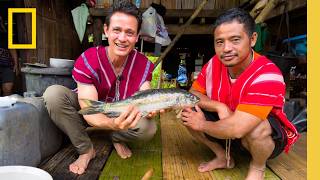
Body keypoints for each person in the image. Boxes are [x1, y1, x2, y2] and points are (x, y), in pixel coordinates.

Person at [181, 8, 299, 180]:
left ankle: (258, 167)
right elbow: (192, 93)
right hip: (227, 127)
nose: (226, 48)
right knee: (188, 110)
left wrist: (202, 125)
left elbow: (237, 129)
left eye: (235, 40)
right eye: (219, 42)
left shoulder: (267, 74)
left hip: (262, 139)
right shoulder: (214, 64)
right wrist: (218, 106)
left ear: (252, 39)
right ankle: (224, 157)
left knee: (257, 129)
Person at [43, 1, 158, 175]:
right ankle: (86, 149)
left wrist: (151, 108)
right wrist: (112, 124)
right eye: (117, 30)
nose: (122, 38)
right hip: (88, 112)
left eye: (129, 33)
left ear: (137, 36)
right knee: (54, 95)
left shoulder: (142, 63)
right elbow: (89, 109)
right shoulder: (89, 59)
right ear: (106, 30)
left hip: (122, 113)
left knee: (149, 128)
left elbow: (145, 94)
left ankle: (115, 137)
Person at [0, 15, 18, 96]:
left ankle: (7, 107)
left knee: (7, 89)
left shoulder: (6, 35)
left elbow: (12, 49)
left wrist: (16, 65)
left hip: (7, 65)